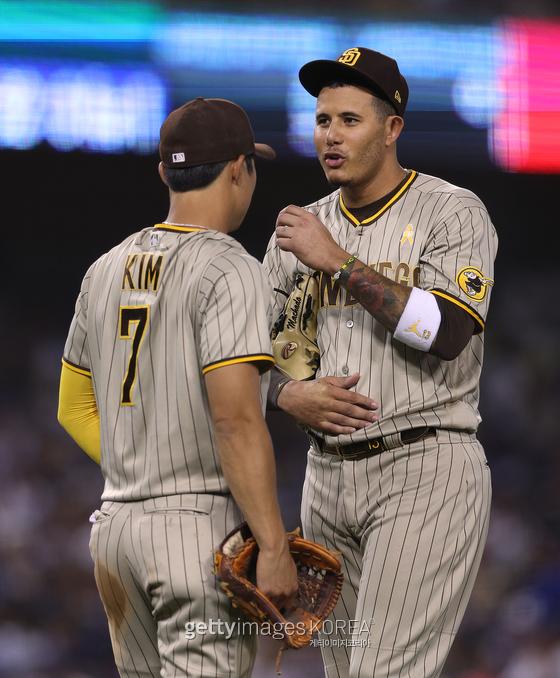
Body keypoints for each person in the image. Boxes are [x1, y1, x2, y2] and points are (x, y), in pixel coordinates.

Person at [264, 47, 497, 678]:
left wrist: (338, 261)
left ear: (392, 128)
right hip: (325, 477)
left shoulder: (451, 209)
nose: (331, 136)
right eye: (323, 121)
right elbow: (254, 359)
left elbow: (447, 332)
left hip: (424, 464)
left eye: (349, 120)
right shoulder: (298, 230)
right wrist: (286, 394)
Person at [57, 97, 298, 677]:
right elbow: (235, 419)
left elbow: (72, 408)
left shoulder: (104, 268)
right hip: (196, 532)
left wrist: (140, 474)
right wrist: (273, 544)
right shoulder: (229, 267)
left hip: (115, 531)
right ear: (239, 169)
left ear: (165, 172)